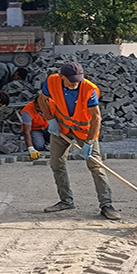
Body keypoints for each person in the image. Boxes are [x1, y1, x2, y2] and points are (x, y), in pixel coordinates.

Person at [38, 62, 121, 220]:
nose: (75, 83)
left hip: (84, 132)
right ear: (62, 77)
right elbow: (42, 100)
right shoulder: (52, 81)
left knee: (96, 167)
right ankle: (66, 201)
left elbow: (96, 118)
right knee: (56, 164)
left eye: (77, 79)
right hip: (61, 128)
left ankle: (106, 205)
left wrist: (89, 143)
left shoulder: (89, 89)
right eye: (71, 80)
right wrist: (50, 119)